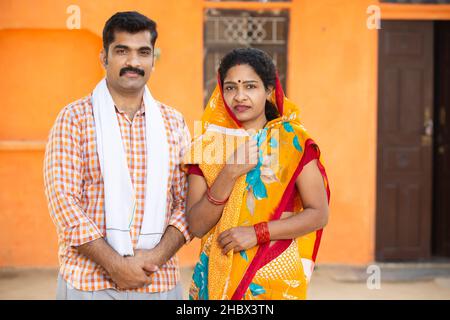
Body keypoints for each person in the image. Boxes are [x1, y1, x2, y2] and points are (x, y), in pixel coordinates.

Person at [44, 11, 191, 300]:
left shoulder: (174, 122)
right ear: (104, 57)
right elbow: (63, 202)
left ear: (153, 59)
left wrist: (154, 259)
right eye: (122, 51)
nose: (133, 62)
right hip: (88, 283)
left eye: (143, 52)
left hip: (158, 281)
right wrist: (115, 265)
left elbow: (186, 202)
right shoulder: (74, 118)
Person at [184, 48, 331, 300]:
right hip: (216, 276)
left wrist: (257, 233)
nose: (239, 96)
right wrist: (229, 173)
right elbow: (196, 225)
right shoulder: (207, 147)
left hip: (273, 274)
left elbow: (318, 214)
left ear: (269, 92)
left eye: (250, 87)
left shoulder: (292, 142)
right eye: (230, 88)